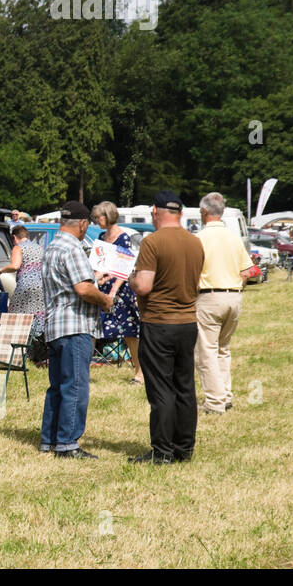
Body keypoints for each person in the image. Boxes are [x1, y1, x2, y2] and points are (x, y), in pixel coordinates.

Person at [127, 191, 205, 464]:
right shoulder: (195, 242)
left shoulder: (153, 242)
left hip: (159, 323)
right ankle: (184, 449)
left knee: (161, 389)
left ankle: (162, 452)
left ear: (155, 211)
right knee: (184, 386)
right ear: (181, 213)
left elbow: (145, 285)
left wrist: (132, 279)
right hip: (188, 323)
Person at [40, 201, 115, 459]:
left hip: (55, 325)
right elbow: (83, 289)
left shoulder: (51, 247)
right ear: (83, 224)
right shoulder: (73, 248)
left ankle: (49, 439)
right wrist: (105, 300)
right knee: (76, 386)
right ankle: (67, 444)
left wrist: (95, 280)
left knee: (58, 386)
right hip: (75, 325)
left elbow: (74, 283)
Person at [194, 192, 255, 416]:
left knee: (206, 351)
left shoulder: (199, 238)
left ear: (204, 212)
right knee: (223, 349)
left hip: (209, 296)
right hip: (234, 295)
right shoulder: (233, 237)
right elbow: (248, 270)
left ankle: (215, 401)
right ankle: (225, 395)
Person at [90, 201, 143, 384]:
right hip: (101, 288)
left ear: (108, 216)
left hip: (120, 292)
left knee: (129, 334)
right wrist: (97, 280)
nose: (96, 220)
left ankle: (139, 373)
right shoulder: (101, 236)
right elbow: (99, 265)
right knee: (92, 330)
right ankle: (83, 372)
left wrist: (112, 292)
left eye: (99, 217)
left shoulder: (123, 238)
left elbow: (124, 268)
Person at [0, 224, 45, 355]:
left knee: (17, 315)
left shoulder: (18, 247)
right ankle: (37, 349)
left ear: (14, 237)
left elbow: (15, 265)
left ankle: (17, 350)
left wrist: (1, 270)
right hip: (41, 286)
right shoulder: (39, 247)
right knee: (37, 316)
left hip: (26, 286)